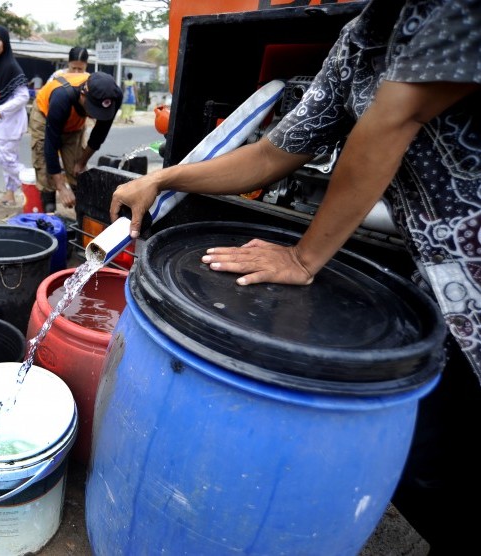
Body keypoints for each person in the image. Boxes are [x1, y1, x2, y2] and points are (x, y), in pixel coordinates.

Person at [110, 0, 480, 551]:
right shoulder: (360, 39)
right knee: (427, 456)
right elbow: (269, 154)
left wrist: (304, 257)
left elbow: (393, 117)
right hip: (440, 281)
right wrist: (164, 179)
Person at [30, 71, 123, 213]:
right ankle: (49, 218)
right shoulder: (61, 97)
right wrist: (61, 187)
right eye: (93, 110)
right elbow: (51, 145)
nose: (93, 116)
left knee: (77, 170)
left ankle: (84, 217)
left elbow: (99, 134)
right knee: (45, 169)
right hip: (45, 114)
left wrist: (82, 162)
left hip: (73, 120)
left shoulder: (113, 96)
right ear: (83, 95)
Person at [0, 25, 30, 207]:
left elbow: (23, 96)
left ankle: (31, 183)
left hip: (12, 123)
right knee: (9, 158)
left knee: (6, 160)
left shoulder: (11, 66)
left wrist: (1, 110)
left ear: (5, 43)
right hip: (3, 124)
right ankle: (10, 195)